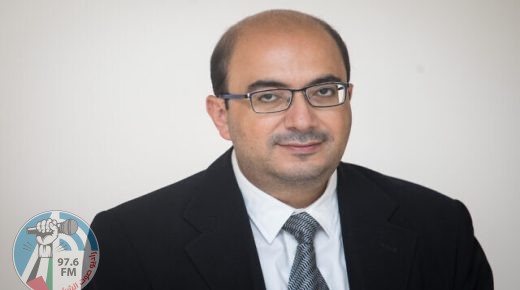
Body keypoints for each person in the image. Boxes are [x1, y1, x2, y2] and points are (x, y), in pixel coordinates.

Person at [85, 9, 493, 290]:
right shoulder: (127, 241)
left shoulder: (441, 227)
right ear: (221, 116)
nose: (302, 120)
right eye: (268, 97)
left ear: (348, 98)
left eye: (323, 91)